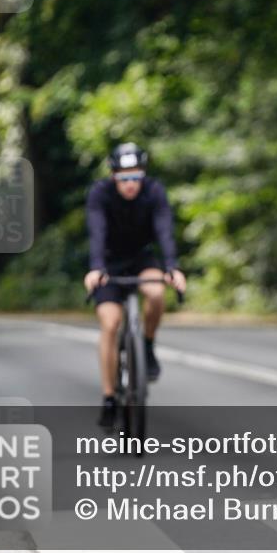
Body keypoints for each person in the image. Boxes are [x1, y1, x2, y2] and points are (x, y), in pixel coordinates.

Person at [83, 142, 187, 429]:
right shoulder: (100, 194)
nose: (130, 184)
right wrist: (95, 269)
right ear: (113, 176)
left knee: (155, 293)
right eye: (124, 178)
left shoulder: (154, 191)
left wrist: (171, 267)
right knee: (110, 322)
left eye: (136, 177)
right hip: (108, 262)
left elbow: (164, 229)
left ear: (143, 175)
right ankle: (108, 398)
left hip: (142, 257)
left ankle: (148, 345)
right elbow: (97, 232)